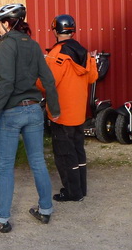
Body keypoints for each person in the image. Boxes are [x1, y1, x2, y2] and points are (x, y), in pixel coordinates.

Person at [0, 3, 60, 233]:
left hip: (11, 112)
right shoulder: (34, 45)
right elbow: (48, 79)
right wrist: (55, 109)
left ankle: (1, 219)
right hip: (34, 110)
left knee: (6, 167)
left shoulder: (7, 44)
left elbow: (6, 82)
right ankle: (45, 209)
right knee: (38, 161)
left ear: (6, 24)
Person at [42, 14, 98, 202]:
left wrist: (34, 79)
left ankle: (72, 192)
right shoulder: (84, 52)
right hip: (78, 112)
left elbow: (47, 83)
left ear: (56, 30)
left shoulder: (57, 53)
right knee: (78, 150)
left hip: (61, 113)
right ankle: (81, 189)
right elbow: (92, 77)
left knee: (65, 154)